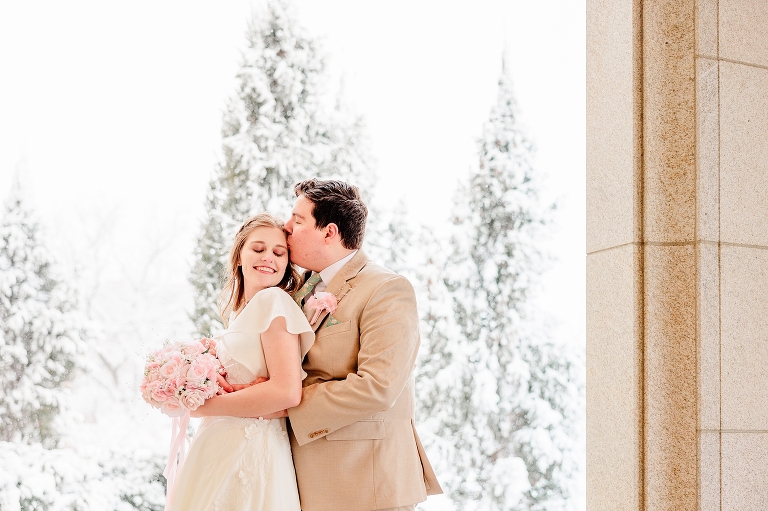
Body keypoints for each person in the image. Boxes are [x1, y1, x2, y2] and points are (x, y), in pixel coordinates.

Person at [282, 179, 442, 511]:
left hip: (364, 485)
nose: (286, 228)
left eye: (297, 221)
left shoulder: (386, 289)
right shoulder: (300, 289)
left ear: (329, 232)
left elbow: (377, 386)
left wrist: (285, 402)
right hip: (300, 479)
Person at [167, 213, 314, 511]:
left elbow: (287, 392)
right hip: (218, 447)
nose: (268, 258)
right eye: (258, 249)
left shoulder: (275, 302)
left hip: (251, 451)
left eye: (278, 252)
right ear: (239, 256)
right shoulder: (239, 313)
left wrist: (203, 406)